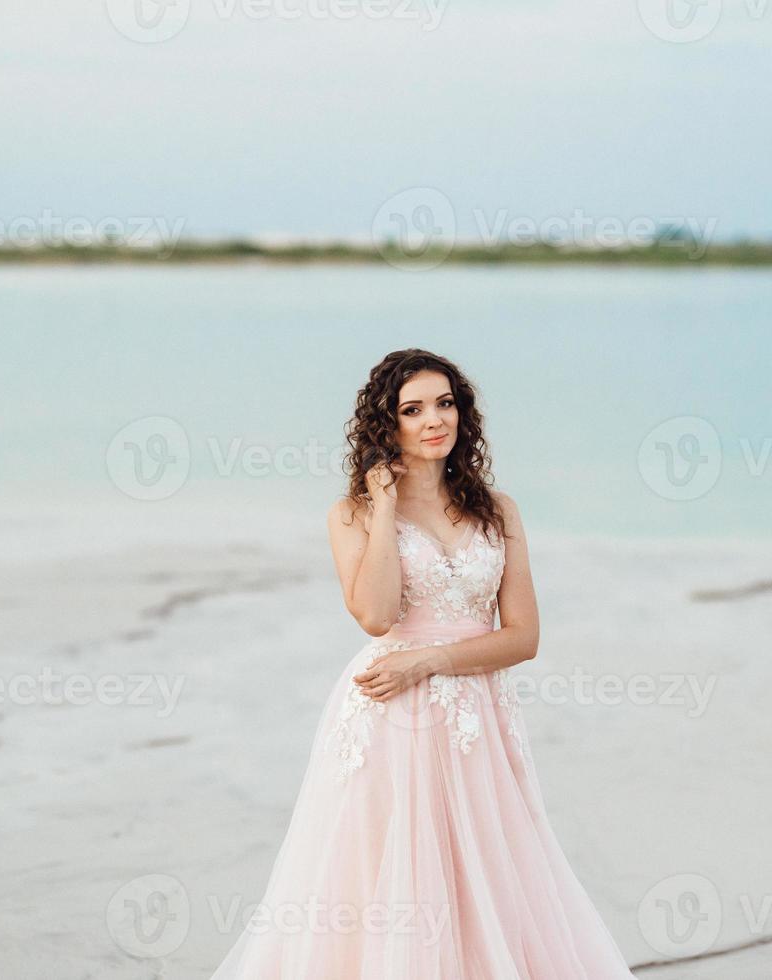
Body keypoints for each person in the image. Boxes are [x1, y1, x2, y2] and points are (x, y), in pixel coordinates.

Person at [209, 348, 638, 978]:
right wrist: (384, 506)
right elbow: (377, 616)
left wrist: (432, 660)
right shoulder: (349, 513)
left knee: (487, 866)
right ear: (388, 427)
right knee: (392, 873)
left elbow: (523, 638)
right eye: (413, 410)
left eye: (445, 403)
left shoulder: (499, 510)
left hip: (477, 715)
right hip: (388, 714)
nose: (435, 420)